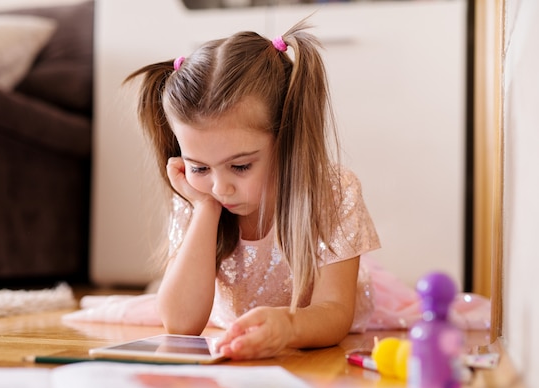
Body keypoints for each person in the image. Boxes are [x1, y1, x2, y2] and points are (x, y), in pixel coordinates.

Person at [122, 19, 381, 361]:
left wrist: (289, 326)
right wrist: (205, 211)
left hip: (307, 335)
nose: (220, 187)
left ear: (286, 139)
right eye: (199, 167)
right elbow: (180, 323)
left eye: (240, 166)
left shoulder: (332, 194)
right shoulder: (199, 196)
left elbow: (334, 311)